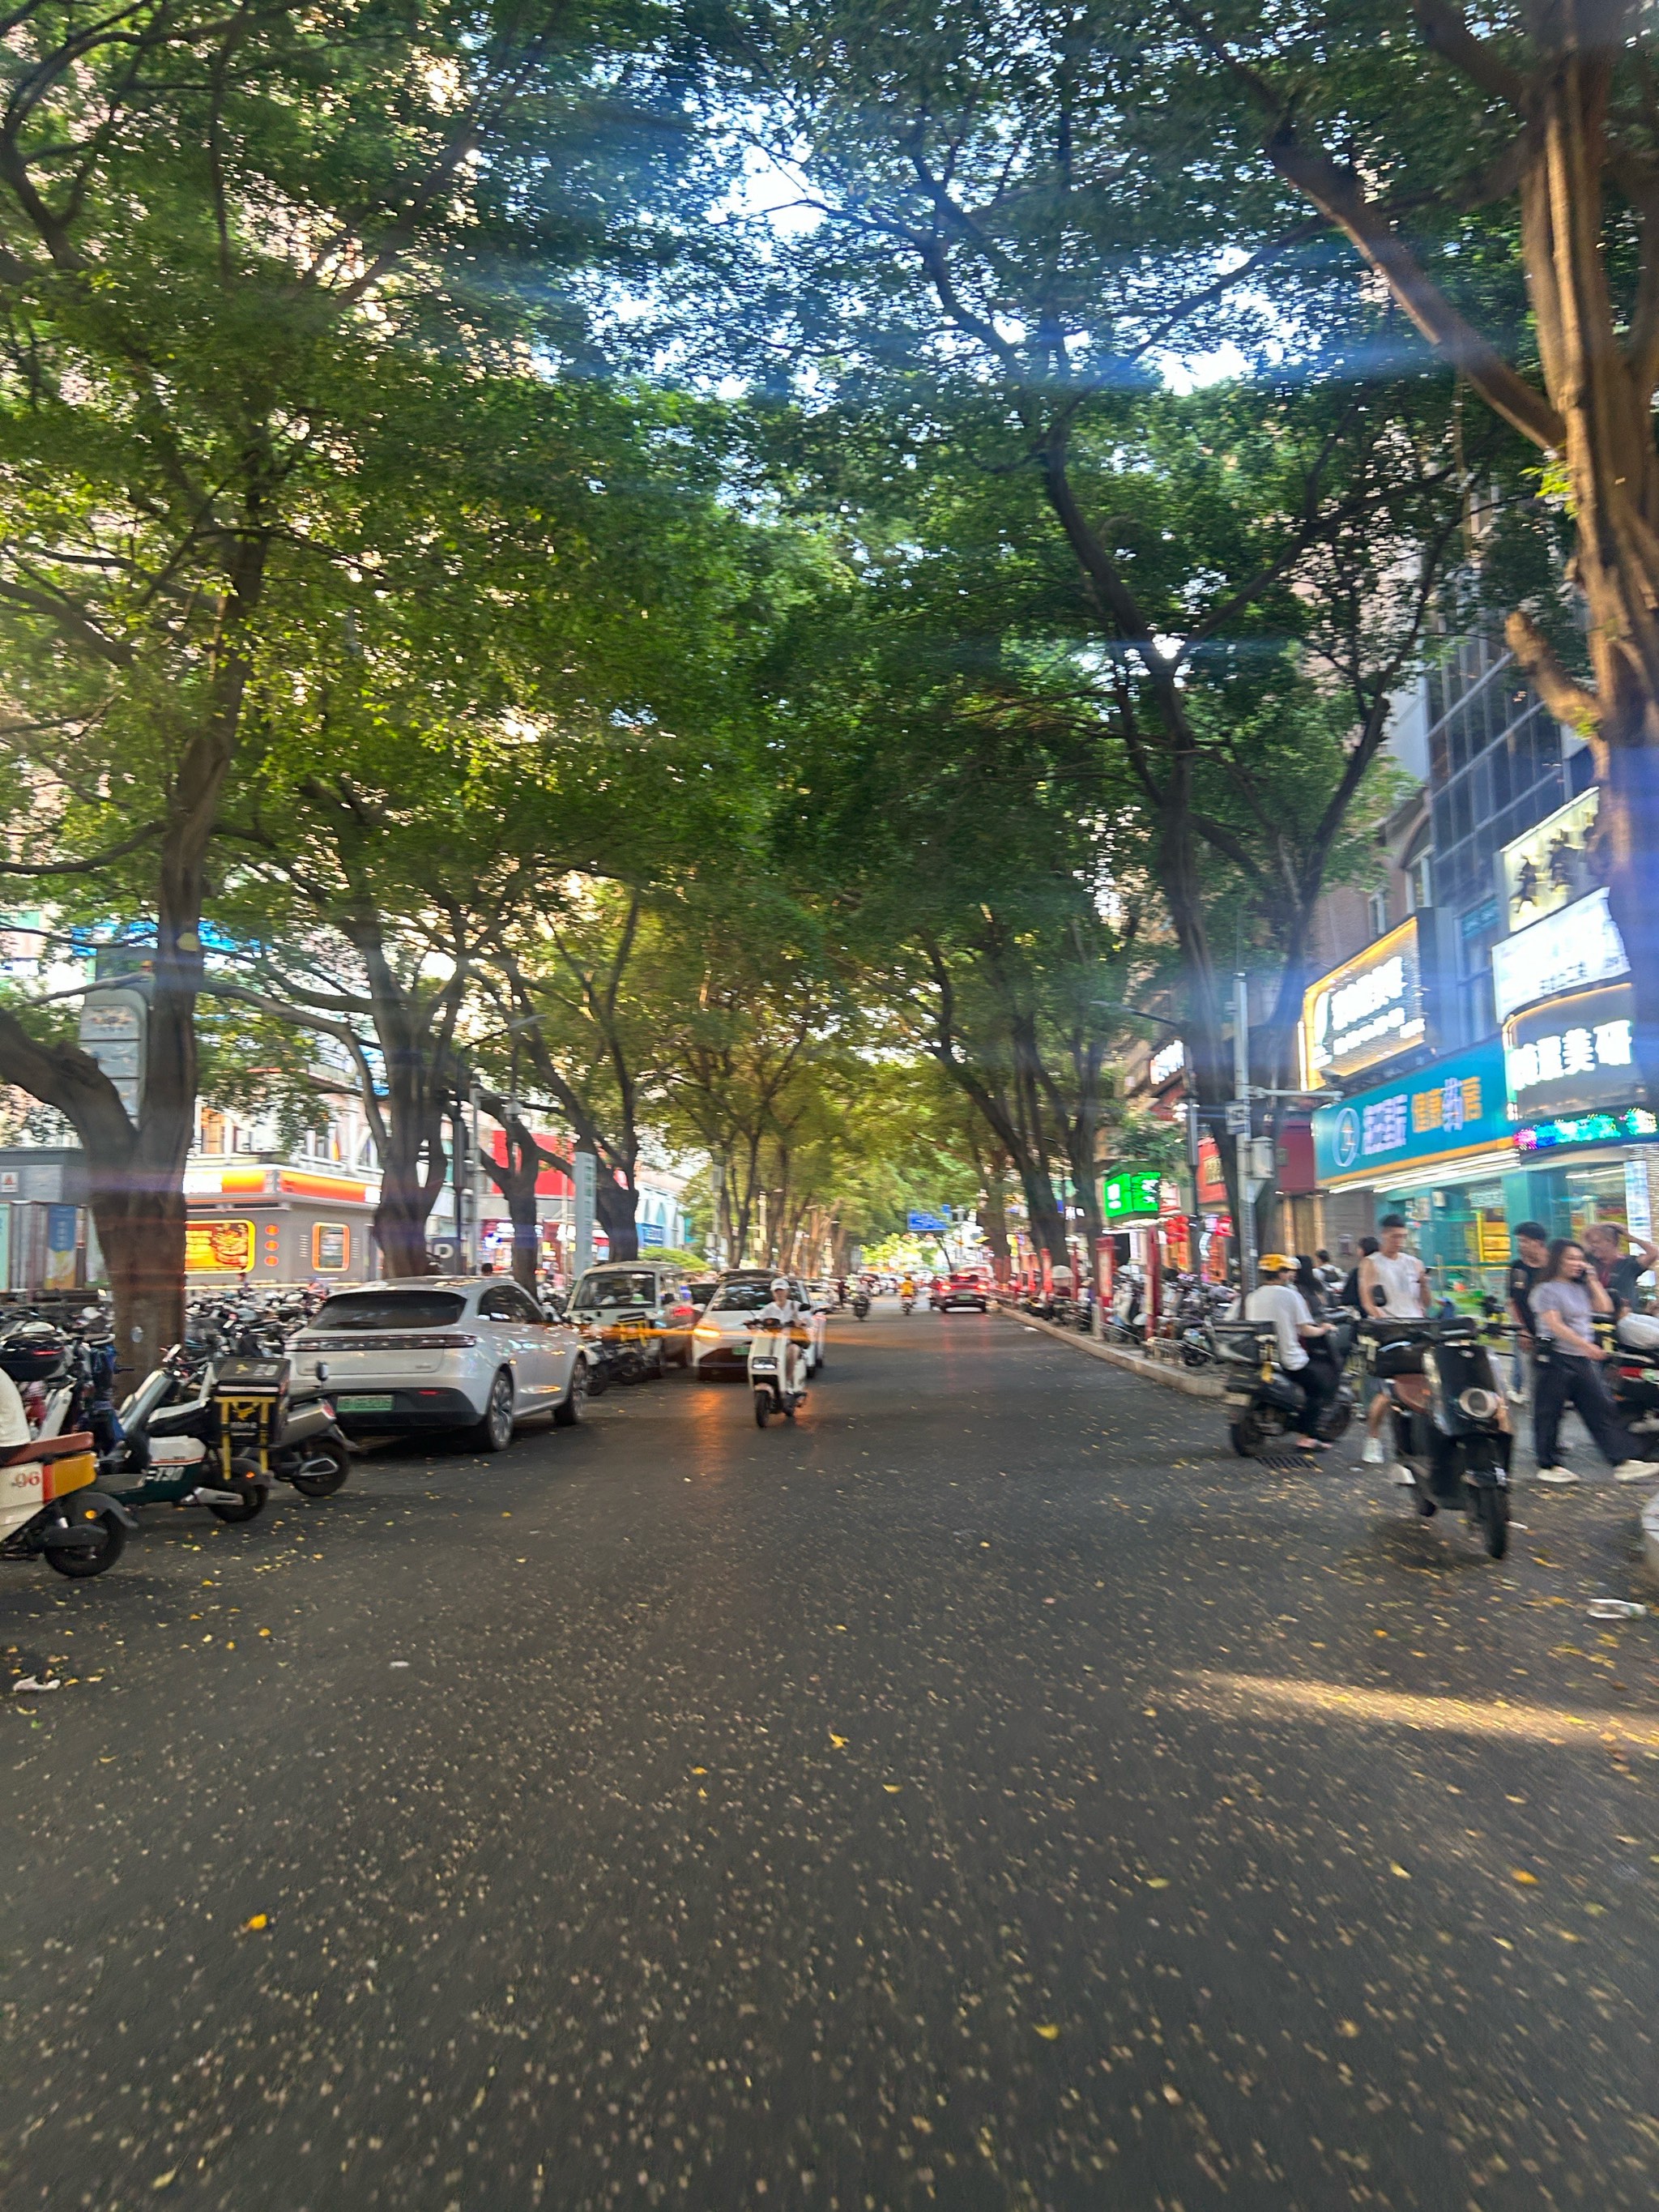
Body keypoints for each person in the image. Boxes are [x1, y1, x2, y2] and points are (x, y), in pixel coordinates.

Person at [1529, 1238, 1652, 1485]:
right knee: (1549, 1412)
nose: (1577, 1263)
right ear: (1557, 1261)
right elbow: (1555, 1324)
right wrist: (1585, 1345)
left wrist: (1593, 1280)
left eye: (1579, 1258)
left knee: (1600, 1406)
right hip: (1555, 1357)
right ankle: (1548, 1464)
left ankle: (1622, 1461)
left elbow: (1605, 1307)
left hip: (1581, 1358)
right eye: (1570, 1258)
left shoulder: (1580, 1287)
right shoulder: (1545, 1290)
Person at [1235, 1253, 1336, 1450]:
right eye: (1287, 1271)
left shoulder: (1253, 1296)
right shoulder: (1290, 1295)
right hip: (1287, 1358)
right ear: (1280, 1274)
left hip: (1261, 1358)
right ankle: (1307, 1436)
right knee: (1318, 1388)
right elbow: (1305, 1328)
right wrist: (1324, 1329)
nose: (1290, 1275)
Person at [1359, 1215, 1429, 1471]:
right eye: (1394, 1237)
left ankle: (1421, 1440)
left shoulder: (1414, 1263)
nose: (1398, 1242)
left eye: (1402, 1237)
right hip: (1389, 1331)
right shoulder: (1371, 1263)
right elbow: (1367, 1300)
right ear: (1383, 1235)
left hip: (1417, 1329)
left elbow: (1425, 1302)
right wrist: (1382, 1323)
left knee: (1422, 1384)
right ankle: (1374, 1438)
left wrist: (1425, 1284)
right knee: (1390, 1389)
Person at [1506, 1220, 1550, 1403]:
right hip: (1528, 1334)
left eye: (1524, 1241)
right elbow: (1512, 1301)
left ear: (1538, 1242)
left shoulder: (1554, 1268)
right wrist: (1521, 1330)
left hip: (1554, 1334)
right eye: (1519, 1241)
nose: (1520, 1246)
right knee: (1532, 1382)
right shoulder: (1517, 1268)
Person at [752, 1275, 812, 1398]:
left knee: (793, 1350)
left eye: (782, 1290)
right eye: (776, 1291)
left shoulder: (795, 1306)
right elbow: (758, 1318)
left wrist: (801, 1322)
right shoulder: (768, 1308)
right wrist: (752, 1323)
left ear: (787, 1291)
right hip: (772, 1342)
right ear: (773, 1293)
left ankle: (787, 1381)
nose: (779, 1293)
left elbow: (807, 1320)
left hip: (791, 1341)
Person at [1583, 1220, 1658, 1316]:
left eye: (1596, 1242)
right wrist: (1604, 1225)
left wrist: (1632, 1238)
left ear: (1610, 1241)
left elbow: (1653, 1253)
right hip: (1598, 1316)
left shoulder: (1629, 1264)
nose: (1593, 1246)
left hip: (1625, 1317)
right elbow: (1582, 1241)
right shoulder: (1591, 1260)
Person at [1338, 1236, 1379, 1314]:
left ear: (1362, 1251)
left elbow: (1348, 1299)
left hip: (1364, 1315)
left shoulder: (1358, 1271)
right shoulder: (1384, 1269)